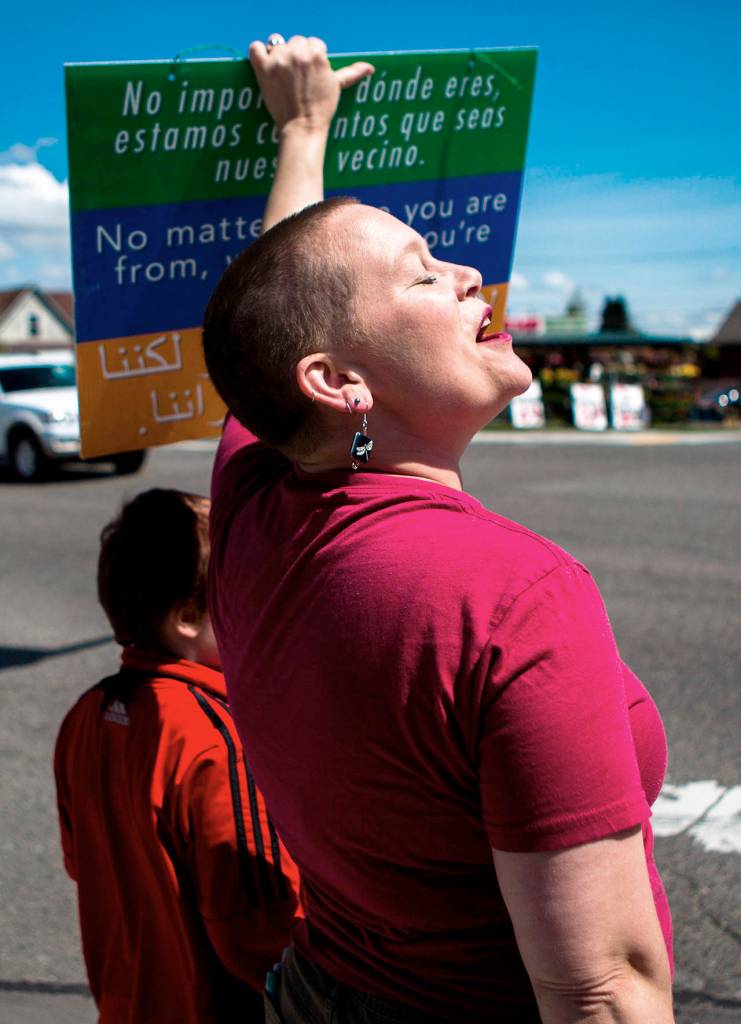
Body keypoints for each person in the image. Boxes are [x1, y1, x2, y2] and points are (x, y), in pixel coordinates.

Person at [203, 35, 675, 1024]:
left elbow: (281, 313)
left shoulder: (256, 492)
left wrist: (301, 134)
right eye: (421, 275)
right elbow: (599, 986)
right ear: (339, 382)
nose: (467, 273)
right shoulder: (514, 595)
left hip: (321, 991)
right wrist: (302, 130)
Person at [54, 488, 301, 1023]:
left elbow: (83, 864)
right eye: (243, 593)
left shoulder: (86, 715)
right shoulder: (218, 737)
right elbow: (261, 932)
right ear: (188, 616)